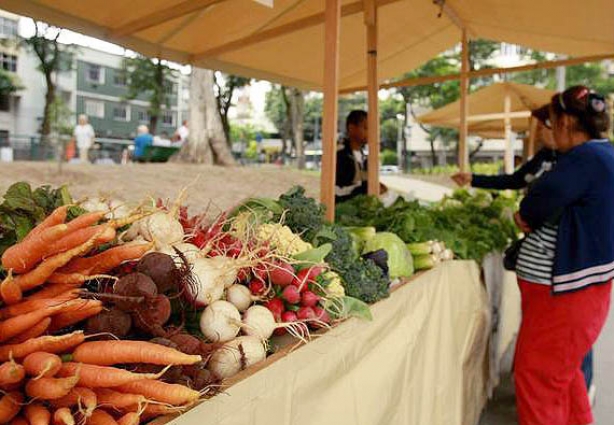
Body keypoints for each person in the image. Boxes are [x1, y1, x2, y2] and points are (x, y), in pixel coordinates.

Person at [452, 107, 596, 398]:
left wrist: (530, 215)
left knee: (570, 339)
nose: (542, 133)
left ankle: (577, 387)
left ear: (563, 127)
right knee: (545, 342)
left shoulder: (580, 162)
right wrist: (475, 179)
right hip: (542, 270)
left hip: (569, 270)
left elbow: (557, 209)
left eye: (546, 126)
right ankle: (554, 391)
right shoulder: (546, 158)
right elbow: (517, 180)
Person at [512, 86, 613, 425]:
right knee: (563, 375)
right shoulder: (605, 155)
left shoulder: (585, 158)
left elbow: (536, 202)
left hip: (564, 296)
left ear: (568, 121)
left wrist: (526, 213)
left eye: (553, 123)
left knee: (536, 378)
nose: (551, 131)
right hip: (579, 294)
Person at [335, 110, 386, 203]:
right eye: (366, 128)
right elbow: (336, 191)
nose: (370, 133)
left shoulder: (364, 156)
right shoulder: (339, 155)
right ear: (352, 128)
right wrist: (365, 188)